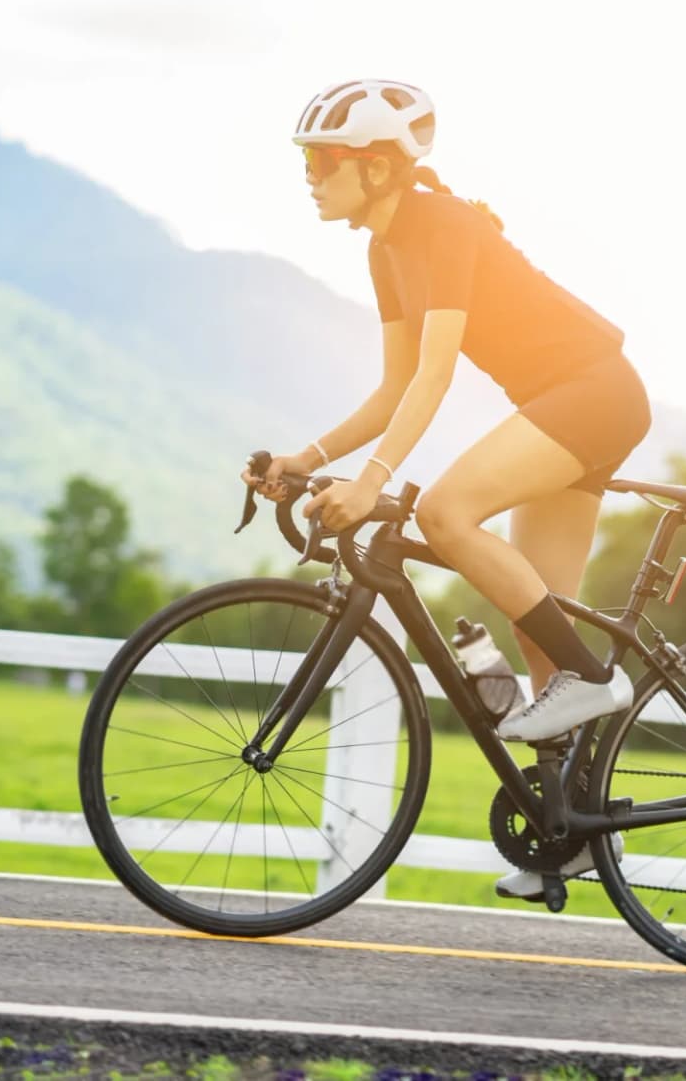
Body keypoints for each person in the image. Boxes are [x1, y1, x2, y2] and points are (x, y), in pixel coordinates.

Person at [242, 79, 652, 898]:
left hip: (595, 396)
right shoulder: (385, 247)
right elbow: (394, 389)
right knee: (541, 631)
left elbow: (436, 375)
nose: (310, 175)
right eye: (308, 161)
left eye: (324, 160)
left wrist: (372, 480)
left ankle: (600, 681)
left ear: (381, 169)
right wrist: (307, 455)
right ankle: (569, 834)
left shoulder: (444, 228)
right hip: (562, 403)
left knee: (445, 511)